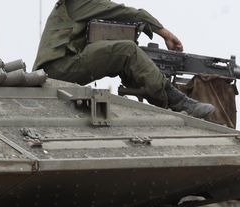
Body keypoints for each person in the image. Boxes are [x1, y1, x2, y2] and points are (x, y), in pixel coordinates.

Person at [34, 0, 214, 119]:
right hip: (58, 69)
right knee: (126, 50)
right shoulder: (81, 2)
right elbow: (124, 13)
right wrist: (164, 33)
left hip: (61, 66)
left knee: (123, 52)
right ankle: (178, 102)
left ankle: (162, 102)